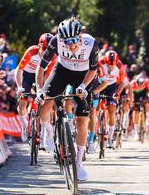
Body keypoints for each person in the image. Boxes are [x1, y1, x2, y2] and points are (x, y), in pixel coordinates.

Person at [35, 18, 99, 181]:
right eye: (67, 41)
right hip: (62, 71)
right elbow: (41, 67)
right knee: (46, 102)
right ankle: (48, 132)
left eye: (74, 41)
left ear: (80, 35)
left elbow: (93, 70)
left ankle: (78, 163)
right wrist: (39, 90)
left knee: (82, 121)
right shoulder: (56, 41)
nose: (71, 45)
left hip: (83, 76)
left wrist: (84, 86)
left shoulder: (91, 44)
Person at [15, 33, 53, 141]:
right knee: (22, 103)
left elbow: (47, 76)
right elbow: (19, 69)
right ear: (39, 46)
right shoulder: (32, 52)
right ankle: (24, 125)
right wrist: (19, 86)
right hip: (27, 74)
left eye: (49, 49)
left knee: (43, 101)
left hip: (41, 76)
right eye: (45, 48)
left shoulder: (53, 56)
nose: (47, 52)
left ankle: (44, 128)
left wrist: (43, 91)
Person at [95, 50, 126, 148]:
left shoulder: (120, 66)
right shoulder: (101, 61)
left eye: (113, 65)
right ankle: (94, 132)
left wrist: (117, 93)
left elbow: (122, 83)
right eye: (109, 65)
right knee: (94, 109)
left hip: (112, 86)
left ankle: (110, 138)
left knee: (112, 110)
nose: (111, 67)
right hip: (100, 84)